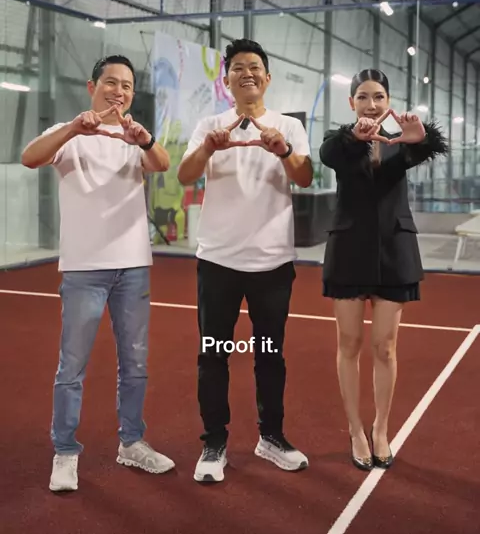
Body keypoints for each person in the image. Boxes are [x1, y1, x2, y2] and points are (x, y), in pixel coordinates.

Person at [21, 55, 176, 492]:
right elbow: (29, 157)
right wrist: (73, 128)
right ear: (92, 87)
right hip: (84, 268)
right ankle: (65, 451)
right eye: (111, 82)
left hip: (133, 266)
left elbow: (162, 163)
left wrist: (145, 140)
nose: (118, 91)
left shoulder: (133, 136)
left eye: (126, 85)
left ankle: (132, 442)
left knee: (136, 363)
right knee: (72, 366)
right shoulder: (69, 133)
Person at [177, 38, 314, 483]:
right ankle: (214, 443)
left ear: (267, 78)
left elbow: (305, 178)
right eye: (238, 67)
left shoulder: (288, 126)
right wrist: (208, 148)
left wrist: (283, 150)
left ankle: (271, 437)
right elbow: (184, 175)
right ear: (227, 80)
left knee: (269, 354)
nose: (247, 73)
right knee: (213, 355)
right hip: (218, 260)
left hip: (272, 263)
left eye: (254, 66)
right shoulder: (210, 125)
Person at [319, 69, 448, 472]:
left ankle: (380, 429)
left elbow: (424, 148)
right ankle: (355, 429)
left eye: (378, 97)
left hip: (394, 250)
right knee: (349, 344)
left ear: (388, 101)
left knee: (385, 347)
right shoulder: (340, 142)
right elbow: (328, 154)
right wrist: (354, 137)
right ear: (351, 102)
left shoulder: (401, 141)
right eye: (362, 96)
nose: (371, 104)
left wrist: (420, 138)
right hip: (349, 251)